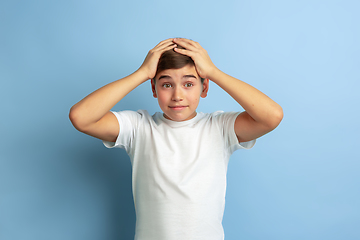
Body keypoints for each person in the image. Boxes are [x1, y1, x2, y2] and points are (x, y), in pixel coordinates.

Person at [69, 38, 283, 240]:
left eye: (188, 84)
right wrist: (142, 73)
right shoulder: (139, 127)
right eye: (167, 85)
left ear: (204, 87)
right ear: (154, 88)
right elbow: (81, 117)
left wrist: (213, 72)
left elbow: (271, 116)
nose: (177, 95)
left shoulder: (219, 127)